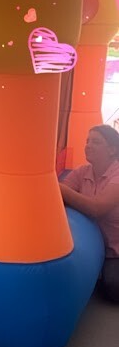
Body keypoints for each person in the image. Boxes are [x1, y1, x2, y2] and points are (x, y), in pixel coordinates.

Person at [60, 124, 119, 303]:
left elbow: (97, 208)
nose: (88, 145)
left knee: (113, 289)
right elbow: (59, 198)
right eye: (87, 141)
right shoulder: (82, 172)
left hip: (115, 250)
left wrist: (61, 189)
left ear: (112, 150)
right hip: (95, 244)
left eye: (96, 142)